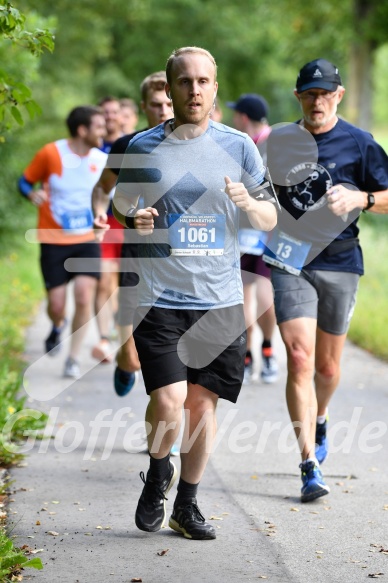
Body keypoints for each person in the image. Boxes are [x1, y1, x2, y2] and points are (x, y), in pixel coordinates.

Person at [112, 46, 277, 540]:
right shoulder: (143, 148)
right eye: (185, 82)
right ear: (170, 87)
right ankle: (158, 468)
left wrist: (250, 203)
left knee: (201, 407)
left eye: (204, 81)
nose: (195, 90)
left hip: (220, 299)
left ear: (216, 88)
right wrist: (131, 218)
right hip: (159, 296)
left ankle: (187, 502)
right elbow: (121, 203)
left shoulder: (240, 146)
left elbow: (269, 218)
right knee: (169, 401)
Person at [263, 59, 388, 502]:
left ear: (338, 96)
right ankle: (308, 465)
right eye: (309, 94)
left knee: (327, 368)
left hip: (339, 261)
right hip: (288, 260)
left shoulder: (360, 143)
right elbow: (258, 192)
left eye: (325, 93)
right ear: (298, 97)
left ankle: (320, 419)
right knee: (299, 358)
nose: (317, 101)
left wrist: (361, 197)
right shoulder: (277, 142)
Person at [92, 71, 173, 396]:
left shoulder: (204, 145)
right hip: (138, 253)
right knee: (133, 356)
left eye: (169, 103)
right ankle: (125, 359)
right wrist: (100, 212)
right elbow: (102, 189)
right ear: (143, 107)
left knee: (173, 357)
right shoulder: (129, 145)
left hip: (186, 257)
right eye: (156, 105)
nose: (165, 111)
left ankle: (166, 425)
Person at [18, 106, 107, 378]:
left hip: (87, 240)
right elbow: (24, 182)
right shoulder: (50, 153)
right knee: (56, 305)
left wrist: (101, 212)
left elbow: (106, 195)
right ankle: (57, 325)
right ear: (83, 130)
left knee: (83, 296)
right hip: (53, 239)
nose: (104, 132)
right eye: (99, 127)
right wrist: (30, 195)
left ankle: (72, 358)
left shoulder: (103, 160)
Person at [227, 94, 278, 384]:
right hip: (267, 229)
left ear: (244, 117)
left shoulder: (250, 144)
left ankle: (249, 357)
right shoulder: (278, 143)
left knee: (248, 292)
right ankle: (266, 352)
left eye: (237, 115)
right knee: (261, 289)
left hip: (255, 229)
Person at [92, 96, 125, 363]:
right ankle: (104, 339)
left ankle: (120, 334)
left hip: (127, 219)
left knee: (122, 283)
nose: (110, 117)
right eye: (105, 113)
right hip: (103, 219)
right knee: (105, 279)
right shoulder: (91, 146)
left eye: (114, 112)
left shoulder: (131, 144)